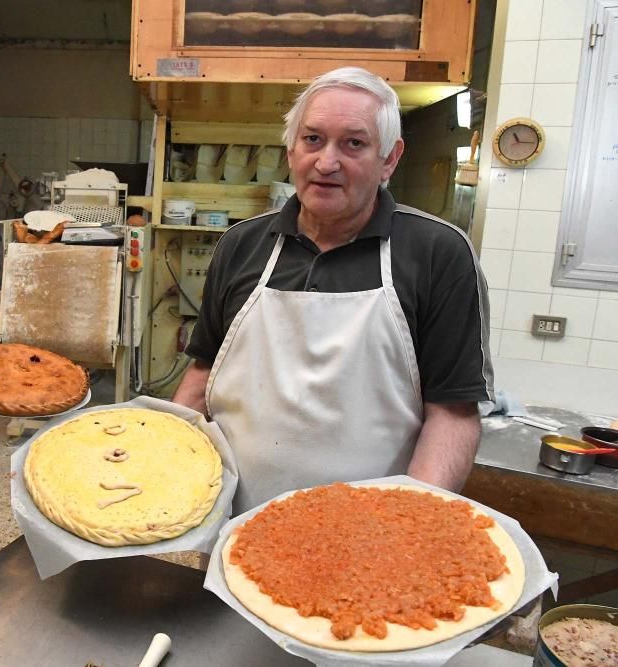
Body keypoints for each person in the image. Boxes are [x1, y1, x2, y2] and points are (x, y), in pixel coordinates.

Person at [172, 67, 493, 514]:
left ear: (390, 158)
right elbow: (201, 377)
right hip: (228, 515)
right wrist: (166, 476)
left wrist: (409, 525)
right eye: (313, 139)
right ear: (291, 149)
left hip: (369, 533)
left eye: (354, 143)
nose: (326, 163)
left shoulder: (438, 253)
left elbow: (452, 415)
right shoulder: (241, 245)